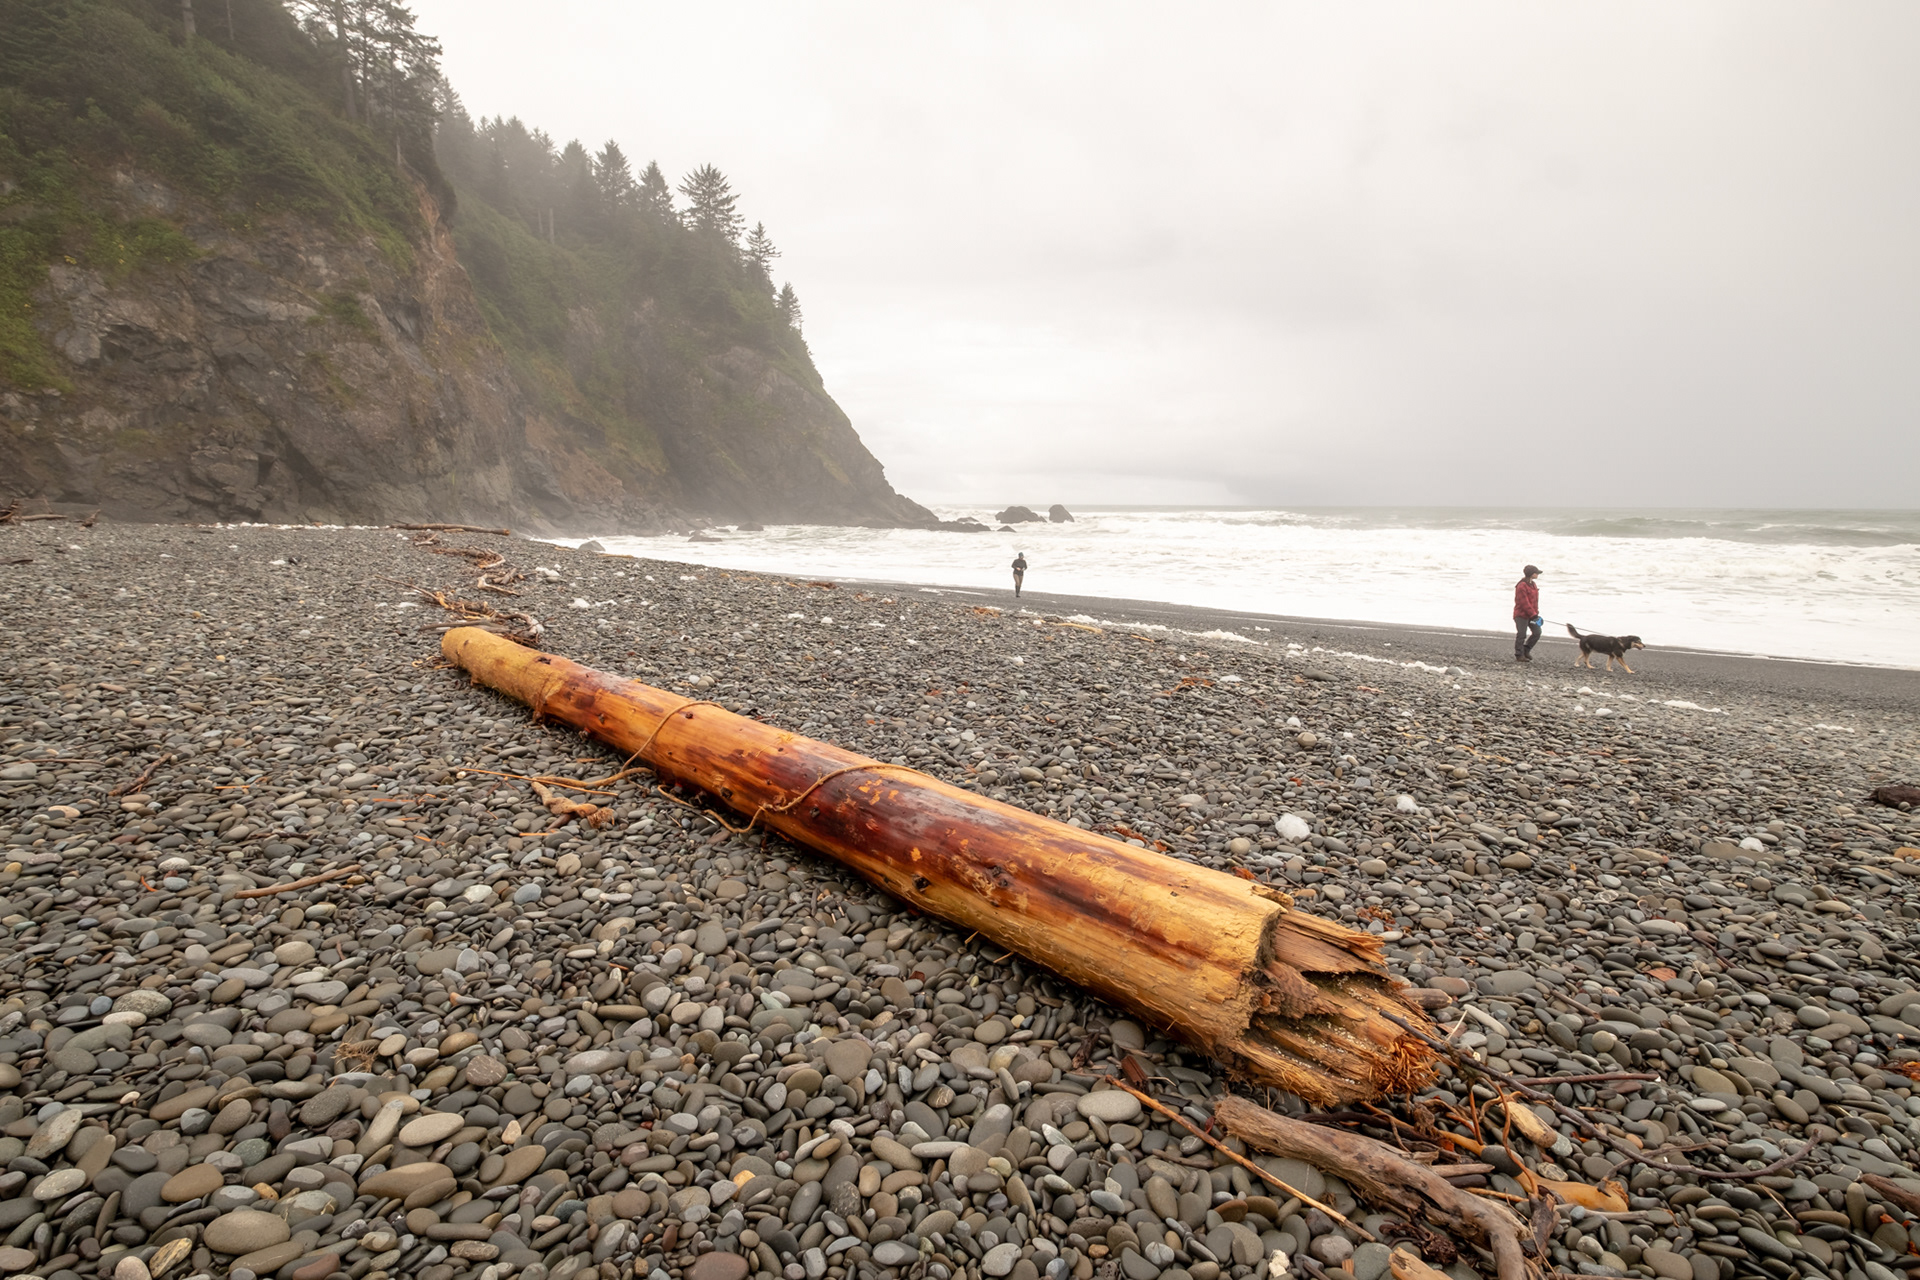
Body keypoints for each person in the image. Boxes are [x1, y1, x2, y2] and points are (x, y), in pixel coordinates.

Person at [1513, 564, 1543, 662]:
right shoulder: (1521, 585)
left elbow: (1534, 601)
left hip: (1532, 614)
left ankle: (1526, 650)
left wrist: (1536, 614)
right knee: (1522, 634)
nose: (1537, 574)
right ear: (1531, 574)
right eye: (1536, 573)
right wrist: (1533, 614)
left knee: (1537, 632)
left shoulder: (1533, 584)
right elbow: (1524, 602)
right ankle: (1519, 654)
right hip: (1521, 615)